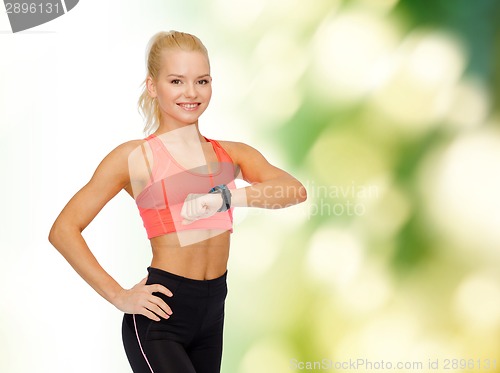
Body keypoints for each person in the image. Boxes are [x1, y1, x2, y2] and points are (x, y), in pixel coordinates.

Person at [48, 30, 307, 373]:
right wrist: (119, 296)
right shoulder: (135, 157)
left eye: (201, 81)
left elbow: (293, 190)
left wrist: (225, 198)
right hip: (161, 316)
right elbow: (63, 229)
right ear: (153, 86)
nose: (191, 93)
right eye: (176, 81)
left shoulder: (229, 154)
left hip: (213, 313)